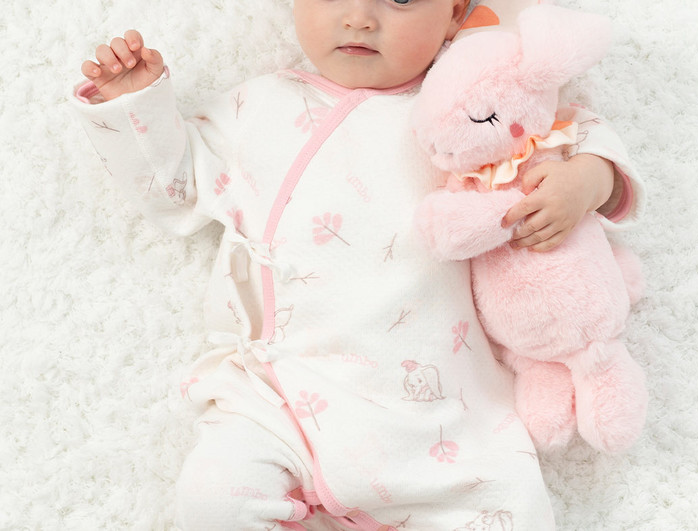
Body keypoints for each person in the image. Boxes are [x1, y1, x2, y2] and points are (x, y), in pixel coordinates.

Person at [72, 0, 644, 529]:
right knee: (214, 498)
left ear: (454, 14)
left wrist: (588, 179)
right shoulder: (259, 107)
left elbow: (567, 129)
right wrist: (136, 106)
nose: (360, 17)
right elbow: (174, 189)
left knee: (512, 509)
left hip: (441, 418)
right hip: (279, 399)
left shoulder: (471, 106)